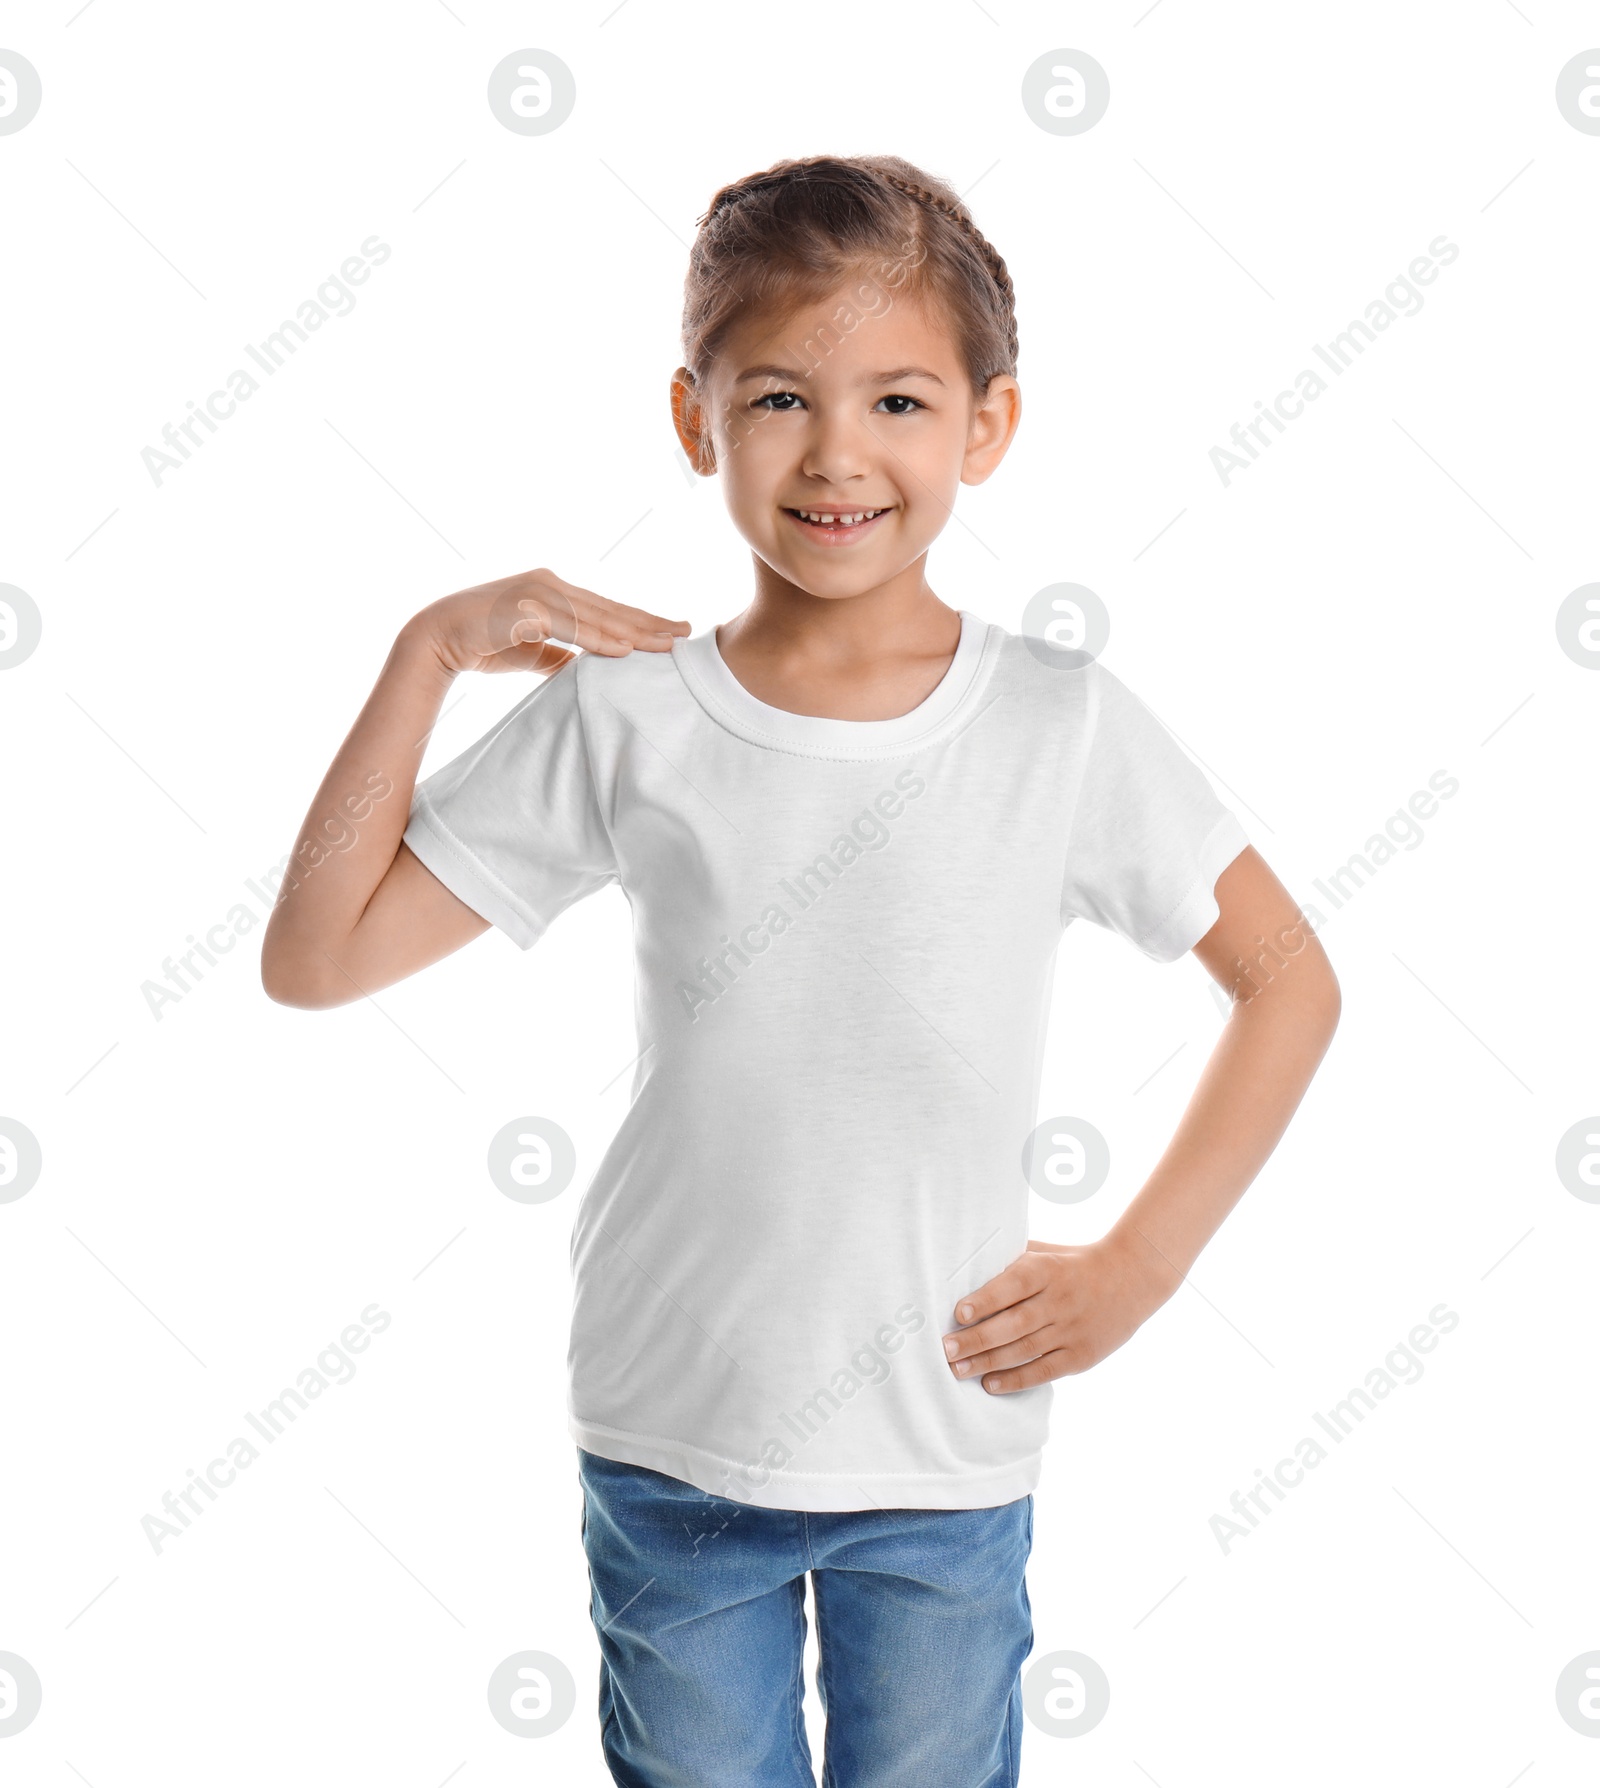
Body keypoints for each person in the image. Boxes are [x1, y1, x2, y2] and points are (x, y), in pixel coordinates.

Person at [261, 153, 1340, 1787]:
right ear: (695, 419)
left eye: (900, 399)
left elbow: (1287, 979)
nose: (839, 452)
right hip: (676, 1439)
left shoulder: (1059, 724)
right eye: (778, 395)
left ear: (987, 425)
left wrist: (1139, 1266)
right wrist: (431, 653)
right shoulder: (628, 716)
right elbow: (315, 956)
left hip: (945, 1446)